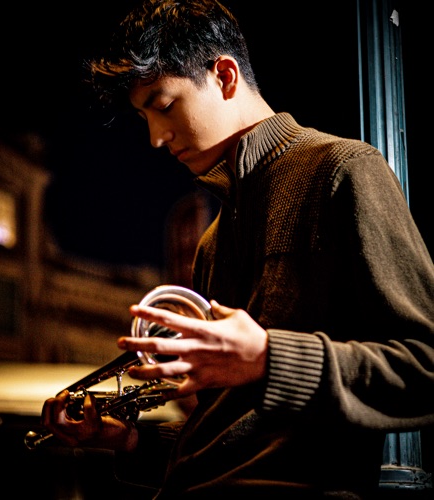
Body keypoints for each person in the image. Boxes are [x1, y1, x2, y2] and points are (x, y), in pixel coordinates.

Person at [42, 1, 434, 498]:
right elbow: (228, 431)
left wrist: (269, 357)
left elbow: (426, 366)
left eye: (164, 106)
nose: (156, 138)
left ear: (225, 76)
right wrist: (129, 440)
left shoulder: (343, 169)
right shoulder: (212, 241)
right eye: (144, 117)